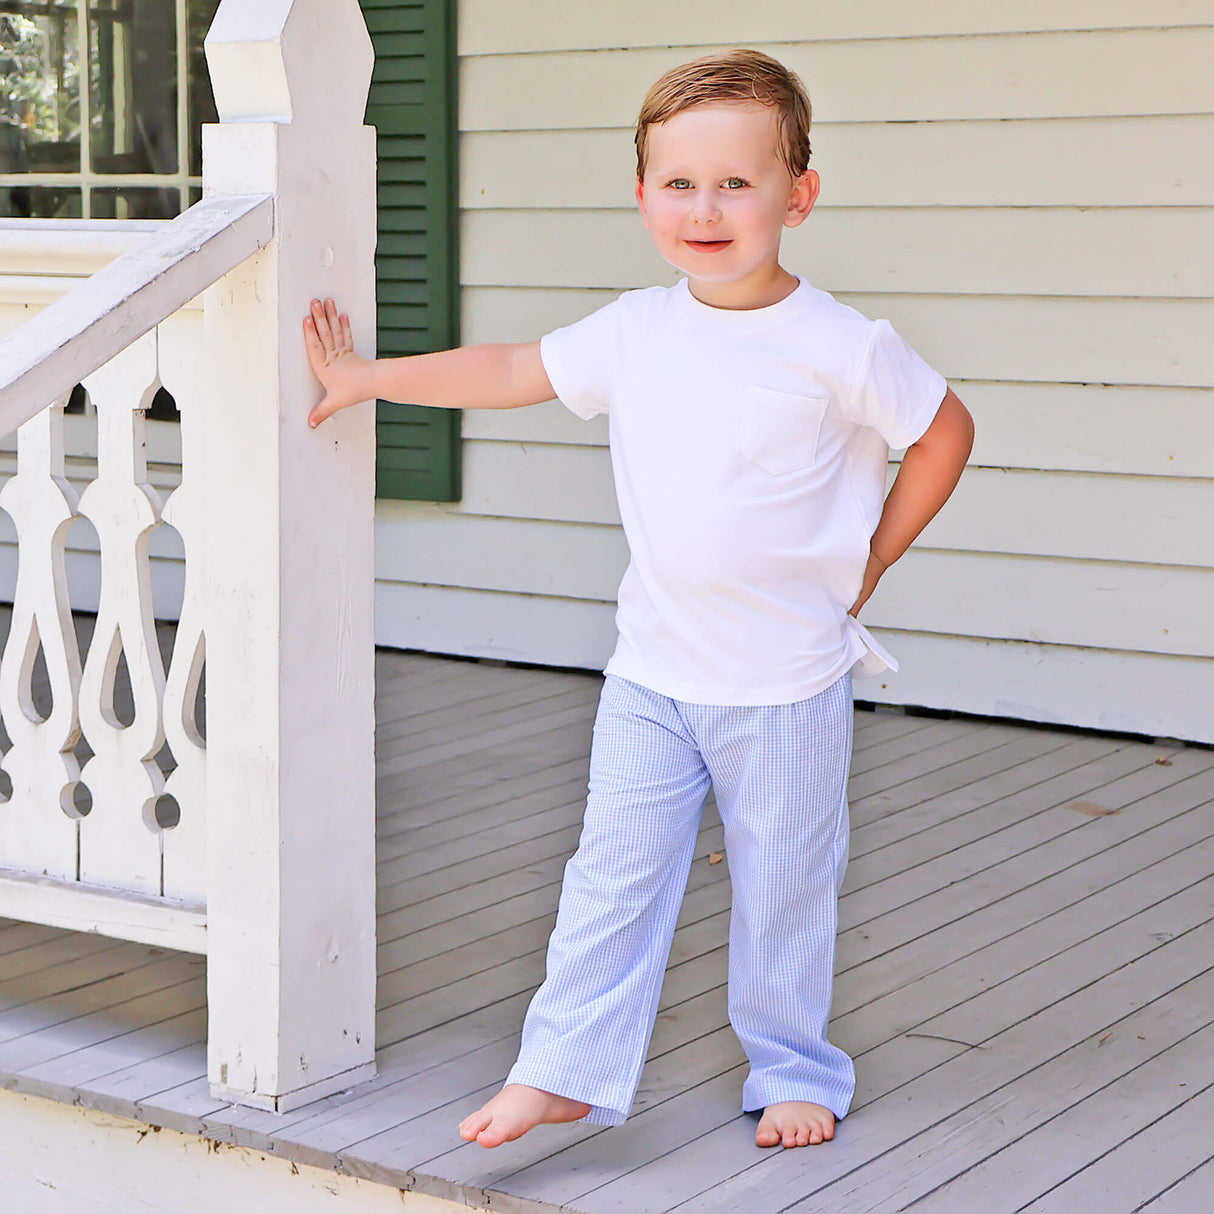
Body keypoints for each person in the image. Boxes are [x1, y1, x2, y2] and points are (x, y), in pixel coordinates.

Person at [303, 49, 974, 1152]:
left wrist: (875, 558)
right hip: (653, 673)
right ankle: (563, 1070)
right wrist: (370, 378)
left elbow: (944, 432)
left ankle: (792, 1068)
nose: (704, 209)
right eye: (679, 183)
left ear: (798, 194)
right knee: (608, 877)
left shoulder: (840, 346)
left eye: (736, 183)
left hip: (786, 683)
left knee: (784, 888)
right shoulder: (634, 331)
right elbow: (509, 371)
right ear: (642, 194)